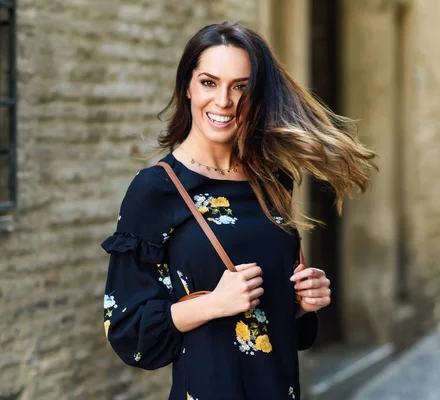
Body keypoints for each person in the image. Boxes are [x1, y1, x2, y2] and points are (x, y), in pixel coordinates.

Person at [101, 21, 377, 400]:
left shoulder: (273, 178)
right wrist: (214, 304)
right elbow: (126, 328)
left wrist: (302, 303)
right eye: (209, 83)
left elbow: (277, 324)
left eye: (240, 87)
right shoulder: (155, 191)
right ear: (187, 86)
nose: (224, 102)